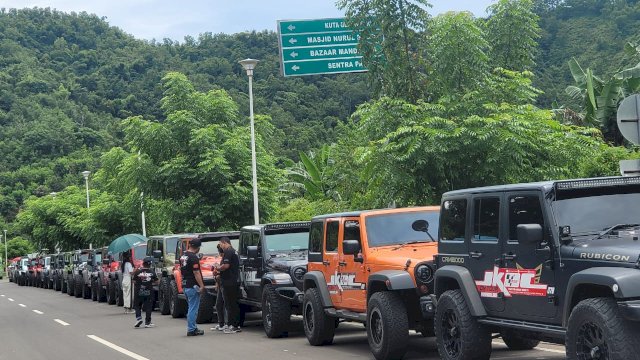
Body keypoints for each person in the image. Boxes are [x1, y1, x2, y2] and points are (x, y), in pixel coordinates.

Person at [180, 238, 205, 336]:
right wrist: (202, 285)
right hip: (192, 285)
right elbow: (196, 272)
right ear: (198, 247)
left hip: (185, 284)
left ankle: (193, 327)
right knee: (193, 309)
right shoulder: (193, 258)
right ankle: (191, 329)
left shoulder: (183, 256)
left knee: (191, 307)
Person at [217, 237, 241, 334]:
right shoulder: (233, 251)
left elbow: (226, 266)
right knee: (230, 304)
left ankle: (234, 325)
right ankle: (231, 324)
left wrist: (218, 268)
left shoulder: (229, 251)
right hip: (230, 281)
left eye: (221, 244)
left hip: (229, 281)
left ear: (224, 243)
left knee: (231, 304)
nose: (220, 246)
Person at [132, 256, 158, 328]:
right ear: (150, 264)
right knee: (148, 307)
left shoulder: (138, 272)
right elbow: (157, 282)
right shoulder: (152, 272)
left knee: (137, 305)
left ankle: (138, 318)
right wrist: (150, 282)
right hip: (149, 291)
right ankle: (147, 322)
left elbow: (134, 281)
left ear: (143, 263)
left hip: (139, 291)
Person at [211, 244, 226, 332]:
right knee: (218, 304)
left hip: (224, 284)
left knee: (225, 304)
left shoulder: (226, 260)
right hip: (220, 284)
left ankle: (226, 324)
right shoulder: (222, 260)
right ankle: (221, 323)